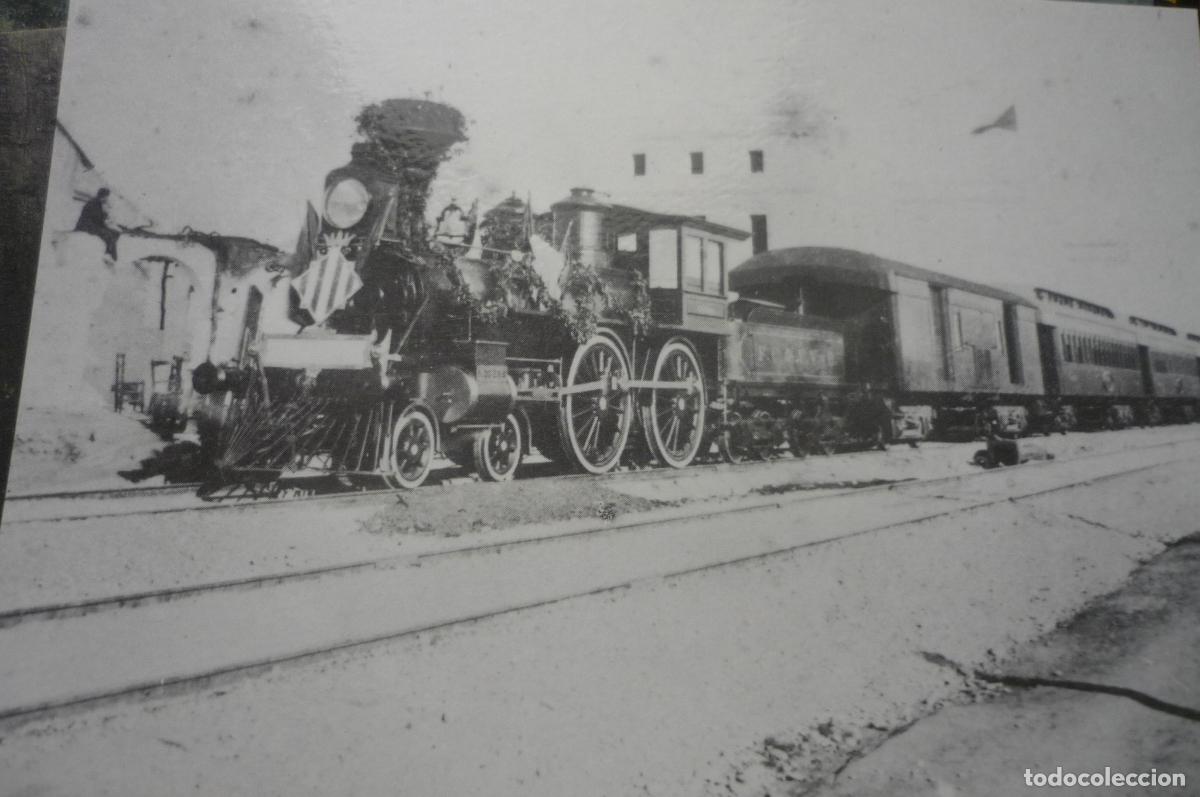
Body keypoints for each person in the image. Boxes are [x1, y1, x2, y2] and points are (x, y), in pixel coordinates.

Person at [75, 187, 120, 259]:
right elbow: (96, 219)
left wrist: (104, 218)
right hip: (86, 226)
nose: (106, 199)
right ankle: (110, 256)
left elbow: (99, 219)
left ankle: (110, 254)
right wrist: (104, 219)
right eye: (106, 197)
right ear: (102, 196)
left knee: (116, 233)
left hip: (93, 225)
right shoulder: (93, 203)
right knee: (108, 235)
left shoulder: (98, 203)